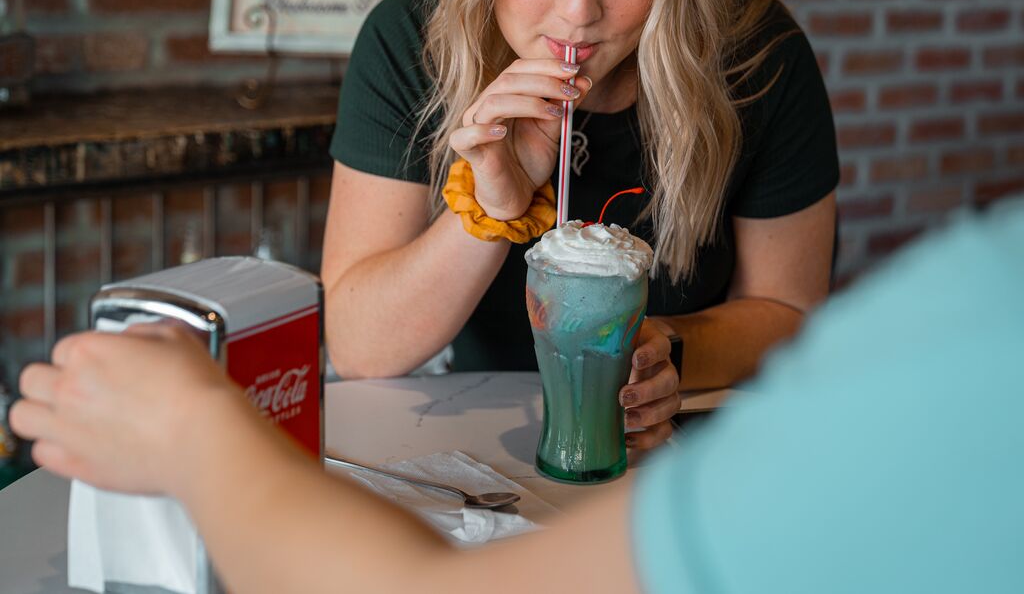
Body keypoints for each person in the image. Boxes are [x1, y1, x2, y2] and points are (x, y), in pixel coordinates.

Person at [11, 199, 1024, 593]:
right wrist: (478, 206)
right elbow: (356, 341)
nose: (577, 10)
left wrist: (198, 434)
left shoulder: (980, 325)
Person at [321, 0, 839, 450]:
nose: (578, 12)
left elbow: (790, 314)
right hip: (467, 448)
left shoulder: (757, 58)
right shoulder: (412, 39)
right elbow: (360, 348)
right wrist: (492, 208)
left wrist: (665, 353)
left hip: (679, 456)